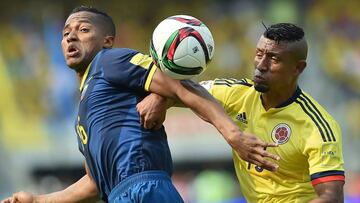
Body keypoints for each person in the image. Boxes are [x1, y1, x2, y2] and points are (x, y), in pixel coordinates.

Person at [0, 6, 280, 203]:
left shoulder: (110, 61)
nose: (71, 36)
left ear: (107, 41)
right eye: (65, 33)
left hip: (145, 187)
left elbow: (181, 86)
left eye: (84, 29)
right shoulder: (83, 115)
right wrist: (38, 199)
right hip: (121, 193)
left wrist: (234, 136)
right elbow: (95, 184)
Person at [136, 23, 345, 202]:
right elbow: (186, 90)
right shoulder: (237, 93)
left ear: (298, 68)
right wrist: (161, 97)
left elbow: (331, 197)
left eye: (273, 58)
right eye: (259, 54)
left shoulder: (317, 126)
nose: (260, 65)